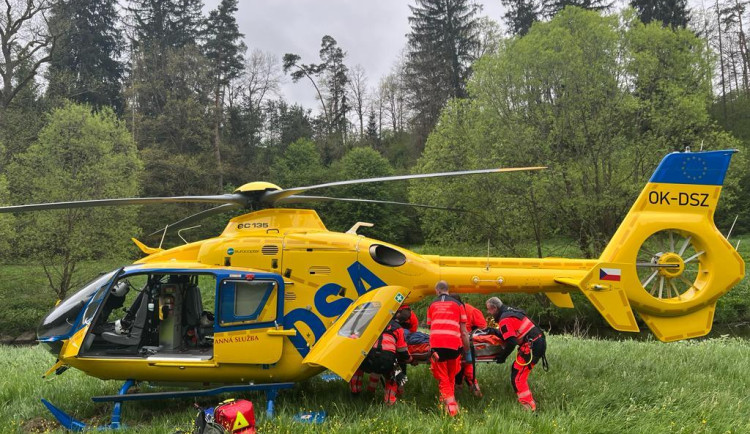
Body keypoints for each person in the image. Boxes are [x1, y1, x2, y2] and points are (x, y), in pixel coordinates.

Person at [485, 296, 547, 411]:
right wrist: (493, 331)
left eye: (489, 310)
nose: (488, 312)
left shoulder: (504, 319)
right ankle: (526, 403)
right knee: (516, 370)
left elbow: (511, 342)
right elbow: (511, 332)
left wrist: (502, 357)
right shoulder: (510, 311)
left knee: (518, 377)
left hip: (531, 346)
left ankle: (529, 408)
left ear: (494, 308)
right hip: (537, 341)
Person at [427, 280, 470, 416]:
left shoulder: (432, 304)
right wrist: (467, 349)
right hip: (454, 346)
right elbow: (464, 331)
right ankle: (444, 403)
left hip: (437, 346)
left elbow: (430, 326)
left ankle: (451, 408)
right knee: (451, 375)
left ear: (437, 290)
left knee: (443, 377)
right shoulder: (458, 304)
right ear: (448, 290)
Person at [349, 319, 411, 405]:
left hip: (368, 359)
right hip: (387, 361)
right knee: (395, 375)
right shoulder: (397, 328)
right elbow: (402, 350)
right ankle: (389, 401)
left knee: (356, 366)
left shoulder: (369, 322)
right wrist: (409, 359)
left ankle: (355, 392)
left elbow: (353, 338)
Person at [452, 297, 487, 397]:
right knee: (464, 367)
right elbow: (483, 327)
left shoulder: (471, 310)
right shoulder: (470, 310)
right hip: (459, 343)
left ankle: (461, 389)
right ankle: (471, 391)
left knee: (462, 367)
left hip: (461, 343)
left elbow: (482, 328)